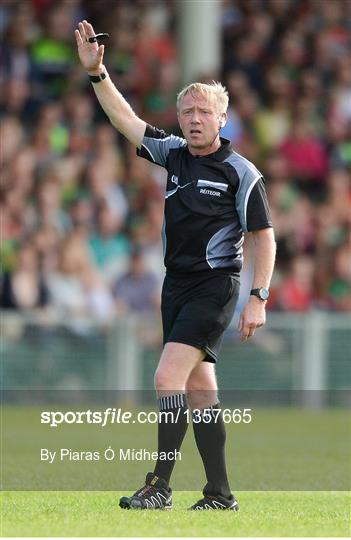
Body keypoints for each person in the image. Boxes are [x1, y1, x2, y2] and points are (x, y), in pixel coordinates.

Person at [75, 20, 276, 511]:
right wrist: (98, 74)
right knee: (200, 390)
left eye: (203, 111)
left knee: (167, 379)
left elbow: (264, 237)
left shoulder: (241, 172)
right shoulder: (174, 155)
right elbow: (126, 121)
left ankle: (159, 486)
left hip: (215, 286)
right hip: (177, 286)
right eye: (186, 110)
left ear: (223, 118)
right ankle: (220, 495)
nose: (192, 118)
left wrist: (258, 297)